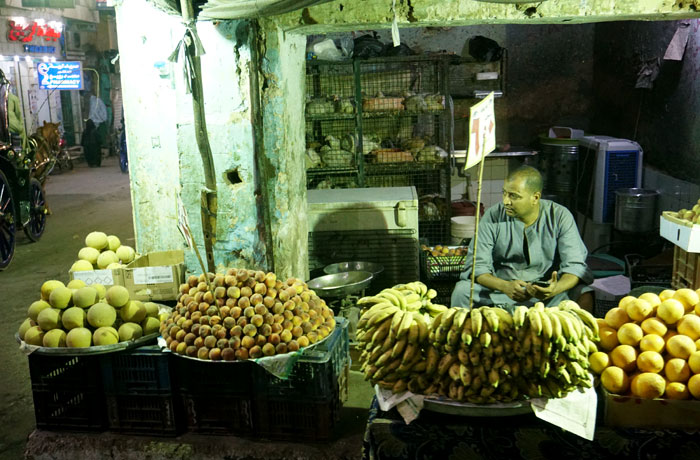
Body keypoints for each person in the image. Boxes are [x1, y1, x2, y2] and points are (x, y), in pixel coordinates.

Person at [451, 165, 593, 312]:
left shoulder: (559, 216)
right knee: (463, 291)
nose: (506, 201)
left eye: (514, 196)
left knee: (584, 293)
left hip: (545, 294)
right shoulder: (493, 215)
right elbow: (478, 267)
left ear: (535, 198)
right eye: (504, 193)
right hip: (501, 291)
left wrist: (554, 288)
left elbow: (575, 266)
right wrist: (504, 286)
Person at [81, 91, 107, 167]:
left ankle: (91, 163)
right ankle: (96, 163)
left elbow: (82, 142)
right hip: (96, 150)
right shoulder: (95, 132)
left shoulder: (85, 132)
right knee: (96, 154)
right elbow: (100, 141)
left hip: (88, 151)